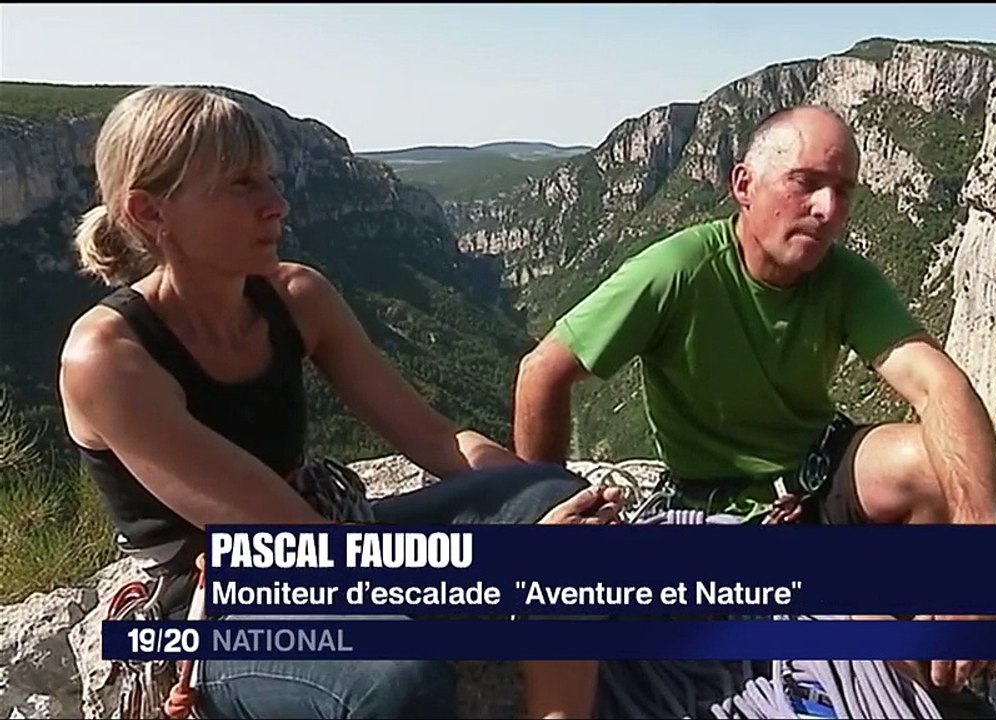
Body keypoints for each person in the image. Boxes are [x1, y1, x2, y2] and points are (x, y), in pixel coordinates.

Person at [57, 85, 617, 720]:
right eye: (242, 184)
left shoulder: (296, 297)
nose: (278, 204)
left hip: (331, 539)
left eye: (269, 179)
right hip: (223, 610)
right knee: (395, 676)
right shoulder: (109, 360)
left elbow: (436, 440)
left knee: (552, 496)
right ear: (150, 212)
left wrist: (549, 498)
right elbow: (287, 542)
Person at [512, 106, 996, 694]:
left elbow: (939, 383)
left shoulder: (843, 278)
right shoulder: (680, 269)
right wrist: (550, 509)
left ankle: (928, 646)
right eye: (806, 184)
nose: (828, 211)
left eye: (843, 192)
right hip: (719, 511)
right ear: (743, 185)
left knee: (927, 464)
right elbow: (543, 370)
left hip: (821, 477)